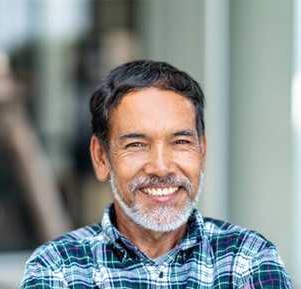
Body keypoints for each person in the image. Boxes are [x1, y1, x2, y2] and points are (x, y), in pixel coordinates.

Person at [21, 60, 291, 288]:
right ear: (101, 157)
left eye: (180, 142)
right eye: (136, 144)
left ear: (202, 151)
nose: (161, 167)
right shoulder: (58, 267)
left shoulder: (247, 258)